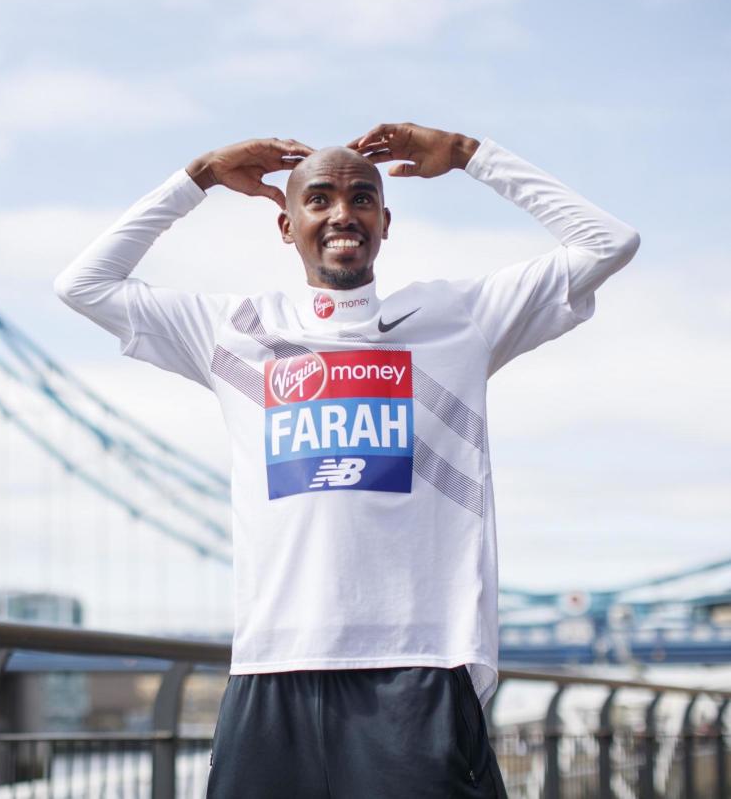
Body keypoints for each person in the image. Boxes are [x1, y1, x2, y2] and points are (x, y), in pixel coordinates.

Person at [53, 122, 639, 797]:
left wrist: (473, 156)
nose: (342, 214)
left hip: (420, 668)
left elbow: (609, 241)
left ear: (385, 222)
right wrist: (202, 176)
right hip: (274, 668)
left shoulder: (458, 319)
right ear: (286, 224)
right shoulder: (236, 329)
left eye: (362, 199)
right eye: (320, 198)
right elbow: (83, 284)